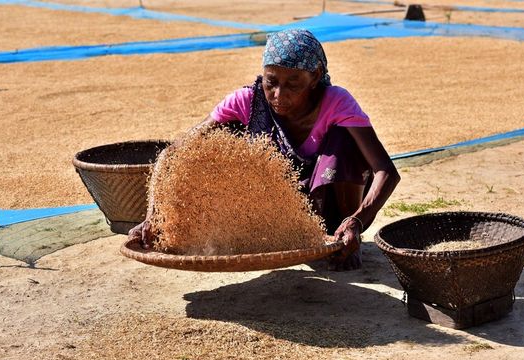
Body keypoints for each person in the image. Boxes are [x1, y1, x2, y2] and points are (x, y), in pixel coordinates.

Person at [129, 29, 400, 271]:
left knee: (345, 142)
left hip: (330, 205)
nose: (279, 95)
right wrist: (153, 217)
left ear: (315, 76)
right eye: (272, 82)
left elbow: (385, 170)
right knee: (220, 140)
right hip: (279, 209)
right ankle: (283, 234)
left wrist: (357, 221)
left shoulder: (336, 102)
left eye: (293, 84)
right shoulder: (247, 100)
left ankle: (342, 239)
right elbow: (173, 154)